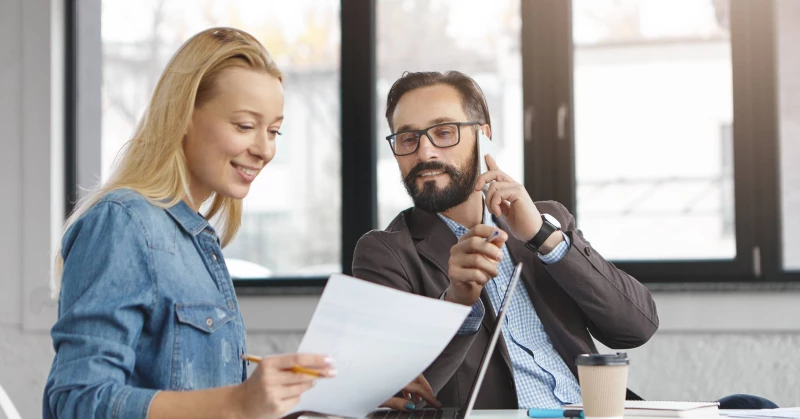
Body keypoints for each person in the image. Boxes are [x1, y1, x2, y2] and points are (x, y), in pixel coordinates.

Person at [352, 70, 778, 410]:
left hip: (600, 412)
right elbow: (400, 400)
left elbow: (636, 327)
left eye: (444, 132)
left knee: (752, 406)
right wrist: (457, 302)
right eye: (407, 138)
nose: (425, 152)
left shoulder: (546, 219)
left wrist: (543, 237)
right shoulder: (387, 252)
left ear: (483, 131)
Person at [43, 27, 337, 419]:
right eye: (245, 126)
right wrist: (238, 402)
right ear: (182, 115)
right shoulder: (123, 223)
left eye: (274, 131)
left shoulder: (193, 238)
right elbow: (77, 403)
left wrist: (339, 390)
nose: (265, 150)